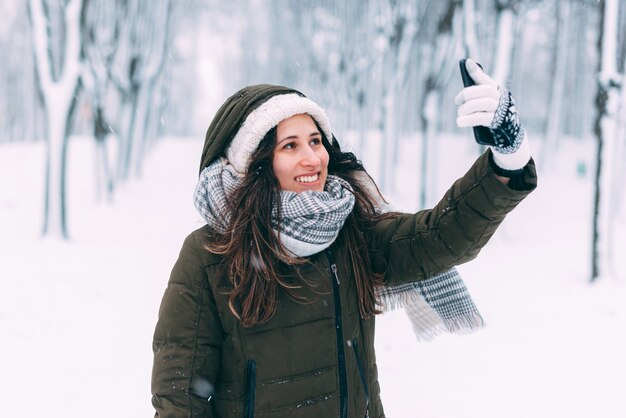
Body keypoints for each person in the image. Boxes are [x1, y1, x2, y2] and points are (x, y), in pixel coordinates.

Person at [151, 59, 537, 418]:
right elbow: (180, 397)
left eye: (316, 141)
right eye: (290, 145)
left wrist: (508, 157)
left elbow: (436, 239)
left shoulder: (349, 231)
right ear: (254, 161)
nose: (312, 158)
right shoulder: (209, 254)